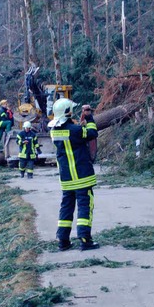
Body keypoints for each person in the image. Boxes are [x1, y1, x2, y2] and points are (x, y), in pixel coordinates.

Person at [48, 98, 99, 251]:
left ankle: (63, 240)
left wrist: (78, 124)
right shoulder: (76, 131)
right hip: (82, 176)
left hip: (66, 178)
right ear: (68, 112)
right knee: (84, 207)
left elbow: (73, 133)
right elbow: (92, 133)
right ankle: (85, 238)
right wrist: (89, 117)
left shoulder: (54, 131)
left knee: (66, 207)